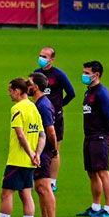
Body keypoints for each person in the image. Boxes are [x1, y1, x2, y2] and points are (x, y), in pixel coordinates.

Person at [0, 78, 45, 217]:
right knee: (26, 194)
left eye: (10, 90)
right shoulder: (33, 107)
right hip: (30, 162)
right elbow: (42, 135)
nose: (9, 93)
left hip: (17, 160)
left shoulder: (17, 108)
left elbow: (20, 133)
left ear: (17, 90)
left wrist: (31, 153)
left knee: (6, 194)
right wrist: (37, 154)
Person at [76, 61, 109, 217]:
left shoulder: (102, 93)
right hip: (89, 136)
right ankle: (95, 206)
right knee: (92, 172)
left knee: (103, 172)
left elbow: (108, 116)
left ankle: (108, 208)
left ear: (96, 75)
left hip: (99, 136)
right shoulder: (89, 92)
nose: (84, 75)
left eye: (87, 73)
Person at [36, 46, 76, 191]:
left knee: (54, 148)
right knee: (38, 144)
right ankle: (40, 173)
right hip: (39, 116)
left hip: (55, 118)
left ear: (52, 59)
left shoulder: (59, 75)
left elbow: (71, 93)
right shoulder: (36, 74)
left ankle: (52, 181)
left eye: (45, 56)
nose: (42, 58)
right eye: (40, 55)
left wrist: (59, 106)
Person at [30, 72, 60, 217]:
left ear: (36, 86)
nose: (27, 86)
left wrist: (53, 149)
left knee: (45, 187)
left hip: (44, 151)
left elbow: (51, 130)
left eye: (29, 83)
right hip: (41, 150)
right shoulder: (40, 103)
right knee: (40, 188)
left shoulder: (43, 105)